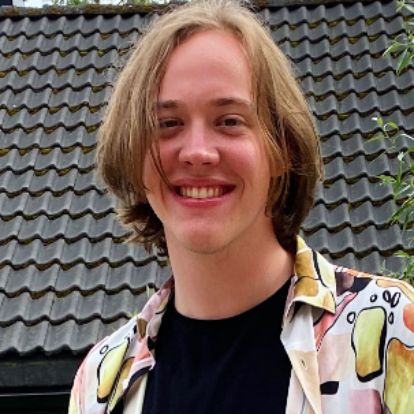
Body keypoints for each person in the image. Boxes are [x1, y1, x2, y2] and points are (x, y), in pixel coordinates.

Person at [68, 1, 414, 413]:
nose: (197, 152)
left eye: (229, 120)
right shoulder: (100, 383)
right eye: (168, 124)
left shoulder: (394, 333)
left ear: (283, 149)